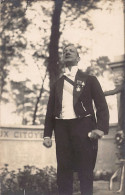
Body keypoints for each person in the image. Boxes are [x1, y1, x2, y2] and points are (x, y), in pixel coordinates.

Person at [43, 44, 109, 195]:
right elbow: (50, 112)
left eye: (71, 51)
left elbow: (102, 105)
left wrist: (100, 128)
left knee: (85, 171)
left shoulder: (90, 80)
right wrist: (47, 134)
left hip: (83, 127)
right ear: (62, 59)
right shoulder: (57, 84)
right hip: (61, 129)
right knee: (63, 172)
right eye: (65, 51)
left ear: (78, 58)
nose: (67, 52)